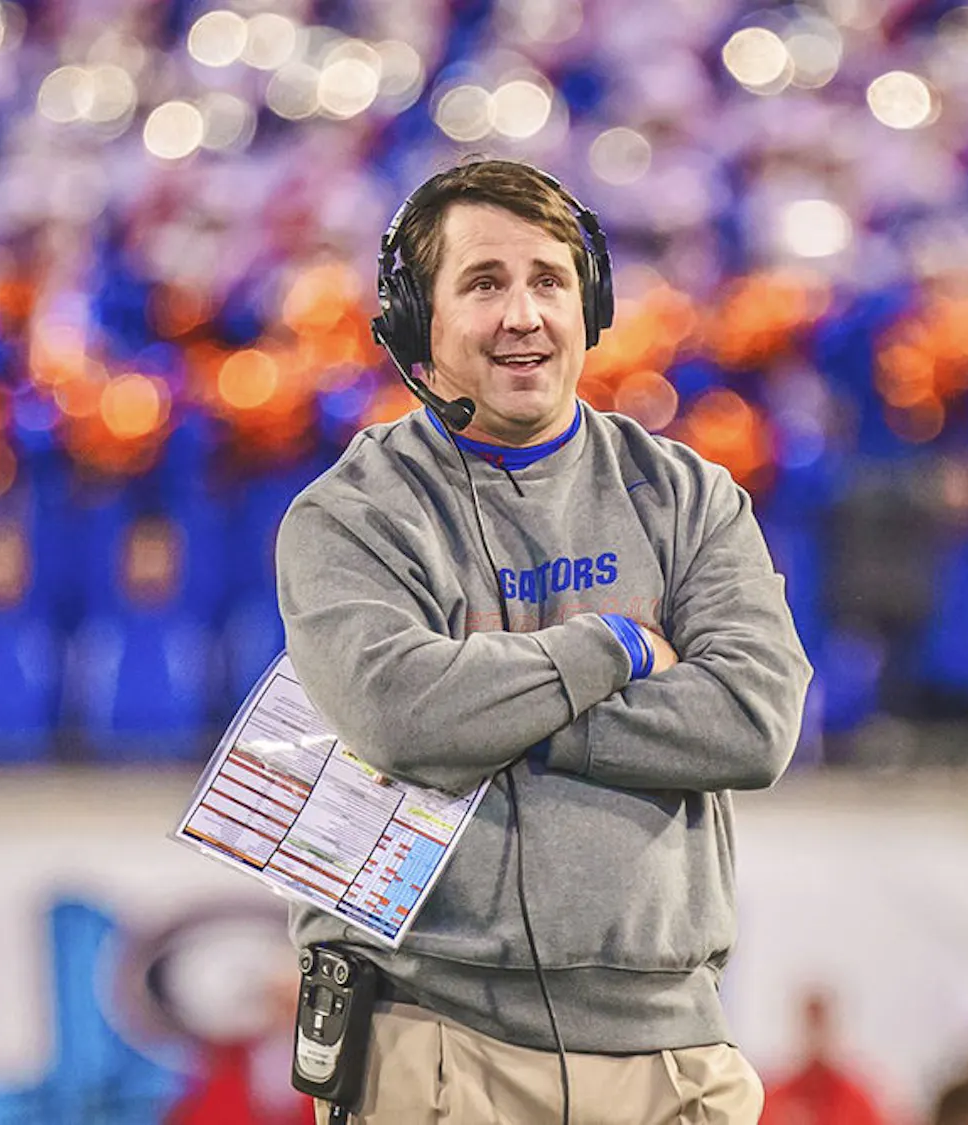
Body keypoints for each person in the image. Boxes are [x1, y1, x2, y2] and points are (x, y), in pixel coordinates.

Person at [274, 158, 812, 1124]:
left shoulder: (690, 496)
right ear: (417, 323)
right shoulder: (349, 516)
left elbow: (753, 720)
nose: (523, 315)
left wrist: (484, 717)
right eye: (484, 284)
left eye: (549, 281)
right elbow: (402, 715)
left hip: (672, 1053)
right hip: (429, 1042)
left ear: (589, 303)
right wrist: (616, 646)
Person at [759, 989, 891, 1125]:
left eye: (820, 1024)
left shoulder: (858, 1103)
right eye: (810, 1024)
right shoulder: (773, 1103)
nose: (815, 1036)